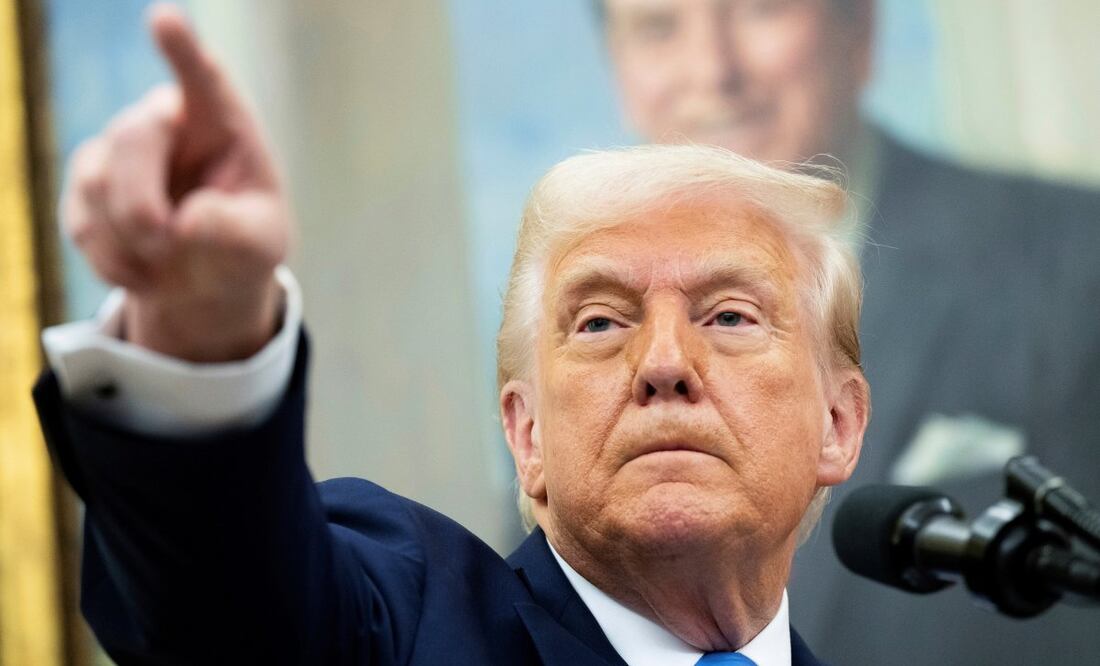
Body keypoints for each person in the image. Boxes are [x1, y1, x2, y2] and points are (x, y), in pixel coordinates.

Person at [35, 6, 869, 665]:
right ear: (527, 432)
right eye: (601, 322)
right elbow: (229, 609)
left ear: (838, 424)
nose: (662, 364)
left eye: (728, 316)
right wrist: (201, 335)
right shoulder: (402, 626)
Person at [599, 0, 1100, 663]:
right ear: (618, 67)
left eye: (759, 11)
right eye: (658, 27)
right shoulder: (579, 338)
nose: (712, 70)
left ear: (857, 27)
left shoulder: (1073, 255)